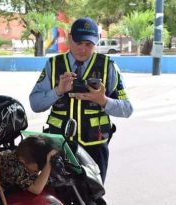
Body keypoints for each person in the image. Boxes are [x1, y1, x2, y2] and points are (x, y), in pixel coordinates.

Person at [29, 17, 133, 183]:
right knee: (59, 196)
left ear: (96, 43)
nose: (83, 49)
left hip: (95, 148)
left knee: (92, 197)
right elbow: (35, 103)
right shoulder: (54, 65)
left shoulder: (108, 67)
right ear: (70, 38)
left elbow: (127, 109)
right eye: (79, 43)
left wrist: (104, 100)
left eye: (89, 44)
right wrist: (57, 91)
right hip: (59, 147)